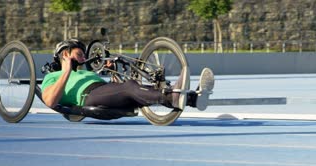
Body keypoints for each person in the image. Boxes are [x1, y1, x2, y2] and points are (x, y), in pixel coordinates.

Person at [40, 39, 214, 112]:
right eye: (79, 54)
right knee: (130, 87)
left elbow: (116, 91)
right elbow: (50, 101)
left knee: (133, 88)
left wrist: (113, 70)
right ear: (65, 54)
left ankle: (193, 99)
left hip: (103, 91)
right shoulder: (52, 78)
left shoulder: (86, 72)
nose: (84, 58)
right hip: (88, 97)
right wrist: (66, 72)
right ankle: (174, 96)